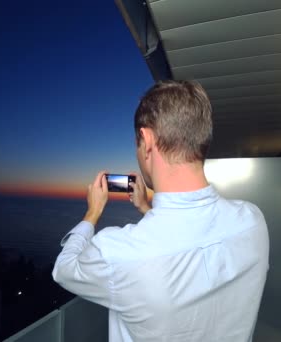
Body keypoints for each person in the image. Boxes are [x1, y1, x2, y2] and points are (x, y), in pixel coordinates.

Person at [52, 81, 269, 341]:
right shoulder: (252, 221)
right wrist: (146, 208)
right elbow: (185, 243)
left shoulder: (119, 252)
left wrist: (92, 213)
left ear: (147, 141)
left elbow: (64, 269)